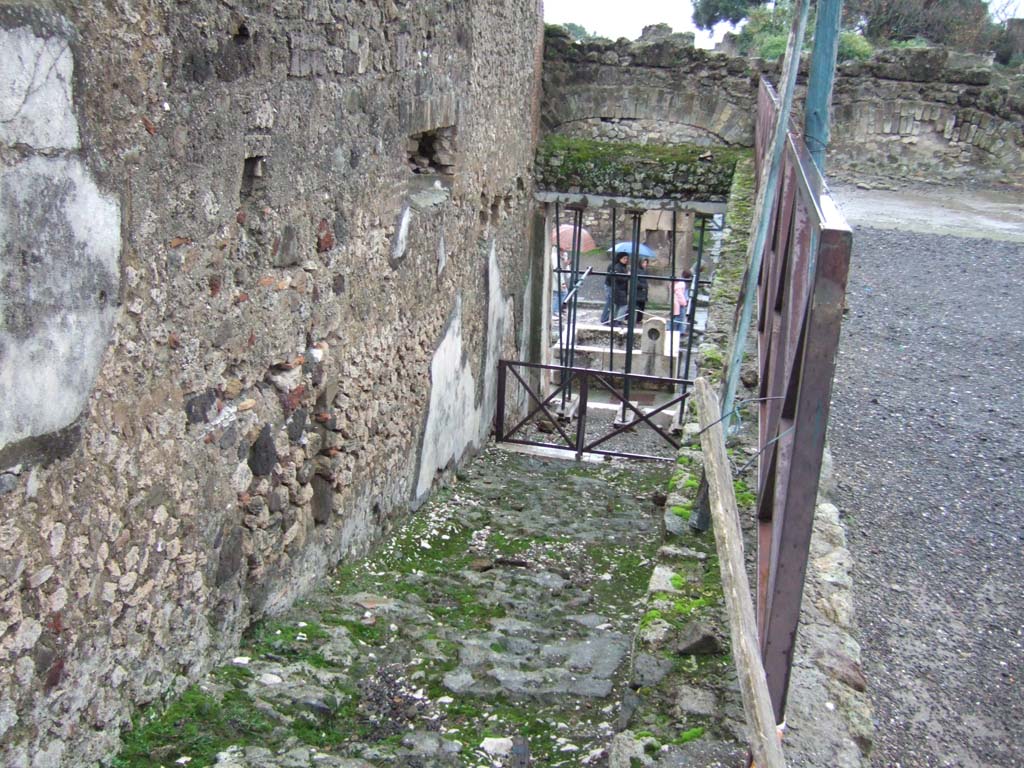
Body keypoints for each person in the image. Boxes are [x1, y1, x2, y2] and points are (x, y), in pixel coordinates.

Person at [609, 251, 631, 325]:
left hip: (621, 289)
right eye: (624, 258)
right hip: (619, 289)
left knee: (618, 306)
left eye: (627, 258)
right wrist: (628, 276)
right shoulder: (617, 267)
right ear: (620, 259)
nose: (626, 260)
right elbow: (619, 279)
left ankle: (614, 320)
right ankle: (618, 320)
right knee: (623, 306)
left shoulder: (623, 267)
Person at [551, 247, 568, 318]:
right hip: (555, 280)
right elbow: (556, 271)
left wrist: (566, 264)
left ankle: (556, 311)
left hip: (560, 280)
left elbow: (567, 273)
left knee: (560, 294)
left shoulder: (563, 255)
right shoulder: (554, 256)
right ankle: (555, 311)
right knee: (558, 294)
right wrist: (562, 282)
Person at [635, 257, 650, 324]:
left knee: (642, 306)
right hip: (639, 291)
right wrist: (642, 286)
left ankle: (639, 319)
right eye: (643, 263)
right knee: (636, 306)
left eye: (646, 263)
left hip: (644, 292)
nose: (645, 264)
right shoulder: (637, 270)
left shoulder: (645, 271)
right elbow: (636, 281)